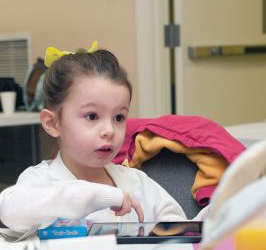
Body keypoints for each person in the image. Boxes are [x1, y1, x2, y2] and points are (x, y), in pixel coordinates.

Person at [0, 41, 205, 234]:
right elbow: (9, 210)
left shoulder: (136, 182)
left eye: (118, 117)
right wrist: (100, 196)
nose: (109, 130)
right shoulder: (41, 181)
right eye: (92, 116)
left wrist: (213, 216)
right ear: (53, 123)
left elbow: (179, 233)